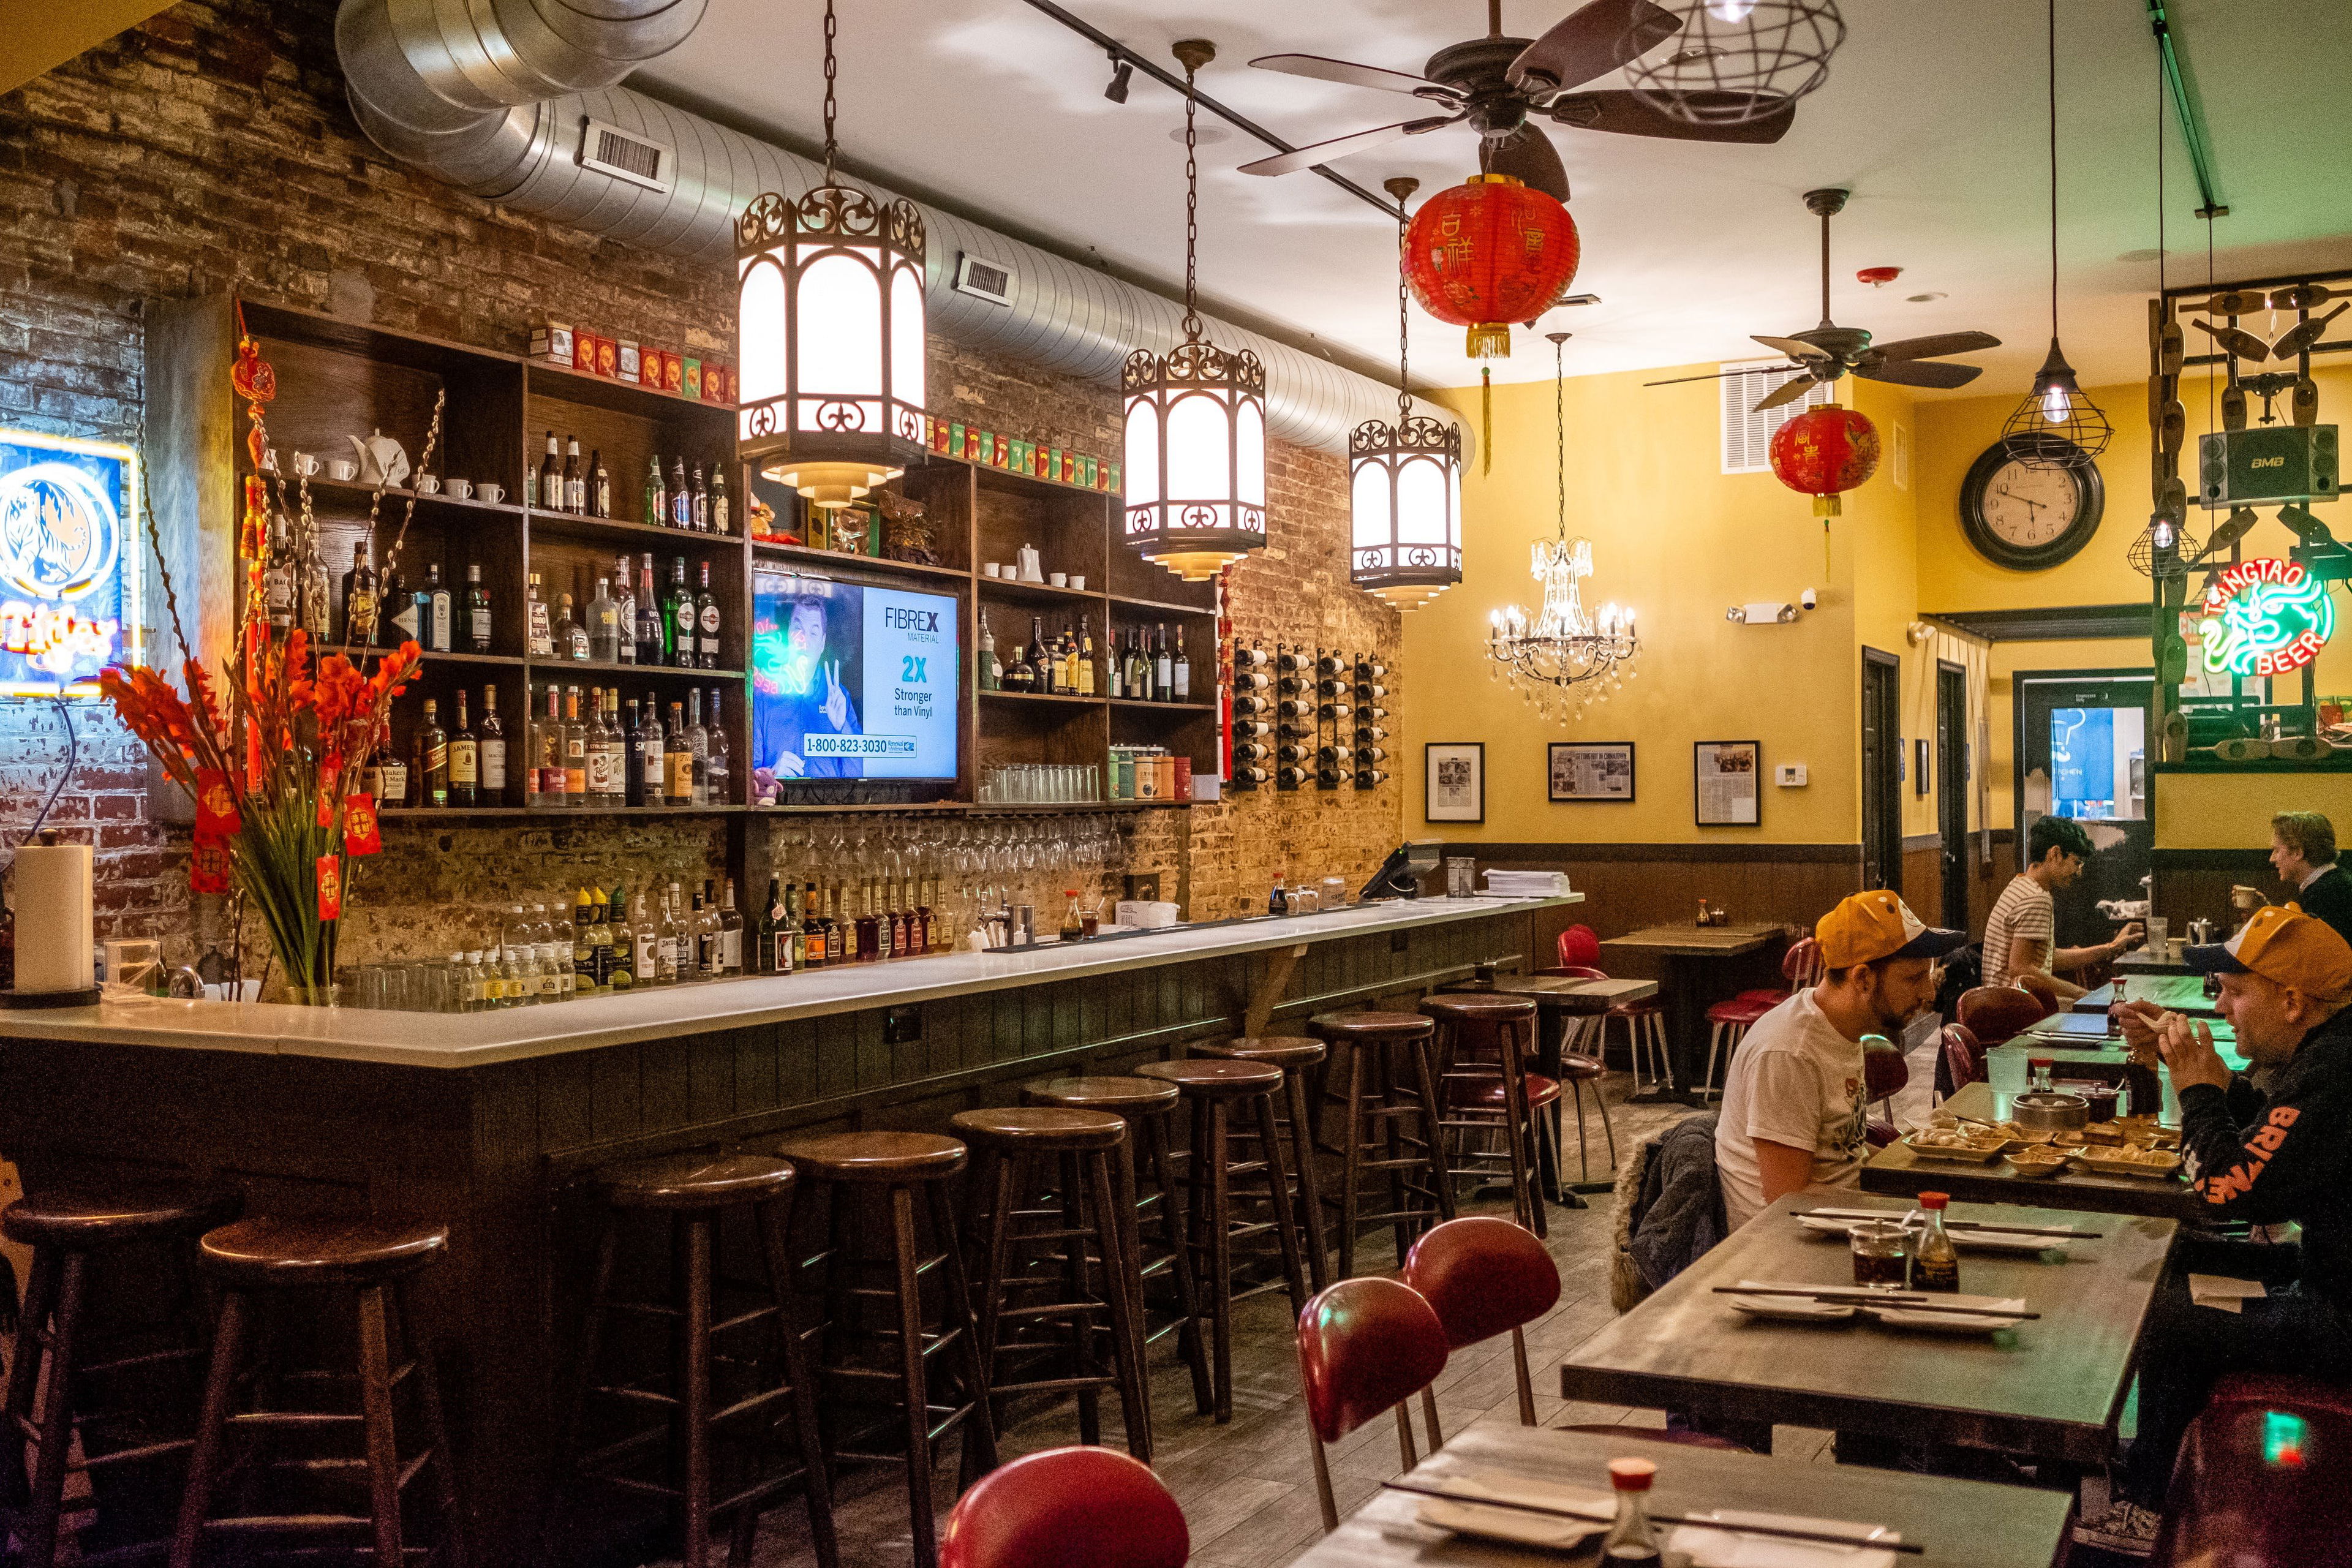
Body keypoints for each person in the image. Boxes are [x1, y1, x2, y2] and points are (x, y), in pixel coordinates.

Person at [2071, 905, 2352, 1556]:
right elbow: (2282, 1146)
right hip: (2324, 1274)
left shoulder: (2334, 1071)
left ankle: (2144, 1507)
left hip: (2339, 1315)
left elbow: (2227, 1190)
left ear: (2289, 1000)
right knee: (2172, 1260)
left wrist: (2195, 1090)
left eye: (2232, 990)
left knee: (2171, 1315)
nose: (2219, 1007)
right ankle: (2155, 1464)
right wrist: (2219, 1081)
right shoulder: (2330, 1053)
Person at [1713, 891, 1966, 1230]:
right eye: (1913, 978)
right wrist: (1900, 1206)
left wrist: (1926, 1171)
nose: (1929, 994)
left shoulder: (1845, 1026)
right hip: (1787, 1247)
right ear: (1862, 978)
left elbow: (1845, 1160)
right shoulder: (1790, 1051)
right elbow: (1788, 1196)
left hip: (1840, 1222)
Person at [1981, 814, 2143, 1001]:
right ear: (2056, 854)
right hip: (2018, 1008)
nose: (2079, 872)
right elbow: (2020, 969)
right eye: (2076, 863)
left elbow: (2048, 959)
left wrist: (2110, 948)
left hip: (2002, 1002)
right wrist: (2084, 995)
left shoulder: (2020, 885)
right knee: (2106, 1010)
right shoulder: (2036, 899)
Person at [752, 593, 862, 785]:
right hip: (776, 805)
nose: (804, 640)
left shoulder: (839, 696)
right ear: (788, 635)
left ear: (822, 643)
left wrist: (842, 727)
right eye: (798, 629)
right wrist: (771, 776)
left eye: (813, 633)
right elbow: (748, 773)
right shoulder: (762, 695)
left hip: (830, 809)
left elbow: (859, 773)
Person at [2269, 809, 2352, 947]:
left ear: (2297, 853)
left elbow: (2306, 954)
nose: (2272, 859)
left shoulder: (2328, 893)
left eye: (2277, 850)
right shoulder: (2333, 882)